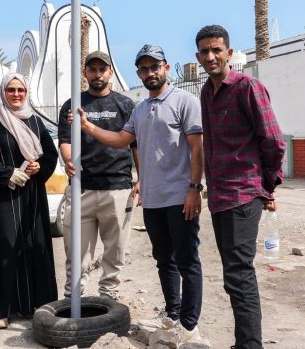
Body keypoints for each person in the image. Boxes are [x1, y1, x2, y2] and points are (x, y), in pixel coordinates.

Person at [77, 45, 204, 341]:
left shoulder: (185, 101)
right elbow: (121, 139)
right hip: (153, 199)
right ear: (139, 74)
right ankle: (172, 314)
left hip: (181, 197)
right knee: (164, 260)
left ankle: (189, 325)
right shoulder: (140, 109)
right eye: (144, 69)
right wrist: (87, 127)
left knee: (187, 261)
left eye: (154, 67)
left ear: (166, 68)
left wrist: (194, 189)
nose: (150, 73)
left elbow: (197, 149)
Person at [195, 25, 286, 349]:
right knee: (233, 275)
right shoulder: (206, 93)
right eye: (205, 51)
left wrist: (267, 185)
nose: (211, 56)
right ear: (198, 56)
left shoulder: (248, 87)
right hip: (219, 196)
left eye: (216, 50)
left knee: (239, 274)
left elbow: (273, 141)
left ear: (229, 53)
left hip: (242, 194)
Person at [0, 73, 59, 329]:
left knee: (34, 246)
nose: (16, 94)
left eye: (21, 90)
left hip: (33, 195)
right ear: (3, 93)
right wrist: (6, 173)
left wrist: (39, 166)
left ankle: (35, 305)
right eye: (11, 89)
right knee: (5, 247)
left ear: (26, 92)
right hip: (6, 193)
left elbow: (50, 154)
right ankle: (1, 311)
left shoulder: (35, 121)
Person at [57, 50, 138, 300]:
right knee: (76, 253)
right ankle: (73, 300)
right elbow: (65, 141)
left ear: (110, 72)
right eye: (92, 70)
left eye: (102, 69)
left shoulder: (125, 105)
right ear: (85, 73)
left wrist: (142, 180)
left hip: (117, 187)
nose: (97, 74)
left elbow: (136, 145)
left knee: (115, 251)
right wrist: (69, 160)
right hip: (82, 188)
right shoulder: (73, 104)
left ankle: (108, 298)